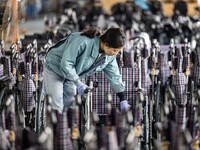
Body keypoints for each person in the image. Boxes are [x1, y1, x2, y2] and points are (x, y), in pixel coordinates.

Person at [44, 26, 131, 113]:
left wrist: (122, 99)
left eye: (118, 51)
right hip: (55, 68)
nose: (115, 53)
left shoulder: (109, 56)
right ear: (106, 44)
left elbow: (114, 76)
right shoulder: (83, 41)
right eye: (115, 50)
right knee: (57, 105)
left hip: (71, 75)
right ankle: (52, 126)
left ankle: (65, 126)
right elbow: (66, 63)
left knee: (70, 105)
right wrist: (78, 83)